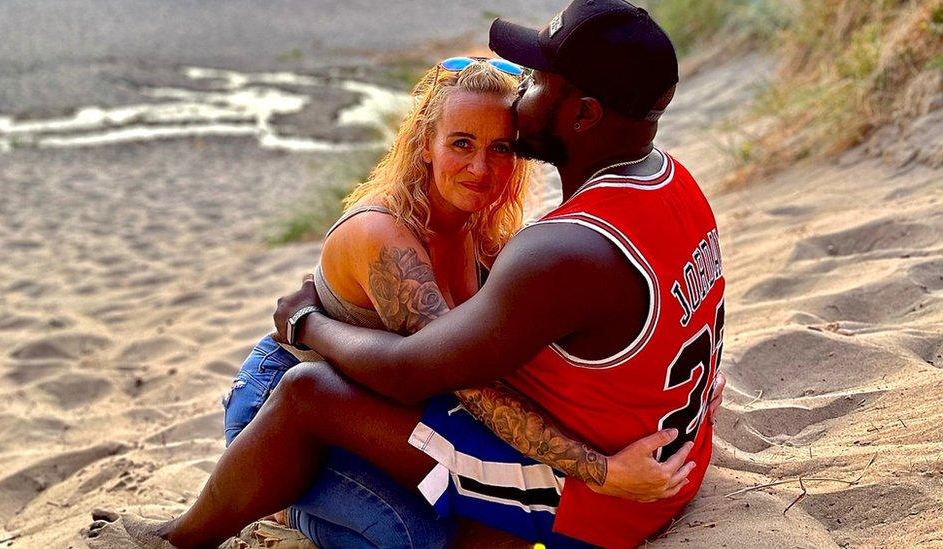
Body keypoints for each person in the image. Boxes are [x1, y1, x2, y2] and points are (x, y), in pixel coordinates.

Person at [87, 33, 725, 548]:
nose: (483, 165)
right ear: (426, 146)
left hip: (399, 404)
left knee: (435, 528)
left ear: (583, 114)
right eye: (462, 144)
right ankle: (201, 530)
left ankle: (283, 497)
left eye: (534, 89)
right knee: (405, 532)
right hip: (293, 394)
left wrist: (307, 320)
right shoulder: (668, 184)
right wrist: (305, 328)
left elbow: (439, 371)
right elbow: (431, 376)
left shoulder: (523, 241)